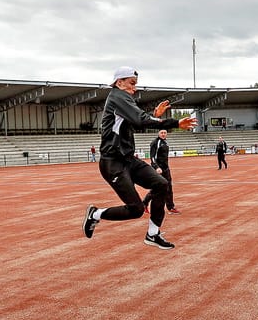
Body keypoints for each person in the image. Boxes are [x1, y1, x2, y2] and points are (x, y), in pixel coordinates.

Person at [83, 67, 196, 250]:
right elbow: (140, 119)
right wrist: (174, 123)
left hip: (128, 160)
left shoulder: (123, 100)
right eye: (132, 83)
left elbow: (137, 121)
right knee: (135, 209)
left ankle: (153, 234)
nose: (135, 88)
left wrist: (155, 116)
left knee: (161, 184)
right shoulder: (117, 96)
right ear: (119, 83)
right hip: (113, 163)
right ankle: (95, 214)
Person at [141, 129, 180, 214]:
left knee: (169, 188)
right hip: (159, 170)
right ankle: (144, 203)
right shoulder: (155, 143)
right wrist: (156, 167)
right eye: (161, 133)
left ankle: (171, 207)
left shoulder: (165, 142)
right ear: (158, 133)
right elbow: (152, 157)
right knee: (158, 188)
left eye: (165, 133)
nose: (163, 134)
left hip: (166, 169)